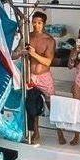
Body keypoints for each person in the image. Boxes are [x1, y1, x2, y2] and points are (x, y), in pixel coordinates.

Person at [23, 11, 56, 144]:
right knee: (32, 105)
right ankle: (36, 132)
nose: (36, 25)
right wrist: (20, 52)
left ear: (44, 24)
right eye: (34, 22)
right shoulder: (27, 37)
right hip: (31, 76)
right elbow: (16, 52)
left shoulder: (49, 40)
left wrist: (34, 54)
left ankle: (60, 132)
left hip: (44, 76)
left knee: (52, 104)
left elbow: (48, 62)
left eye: (39, 23)